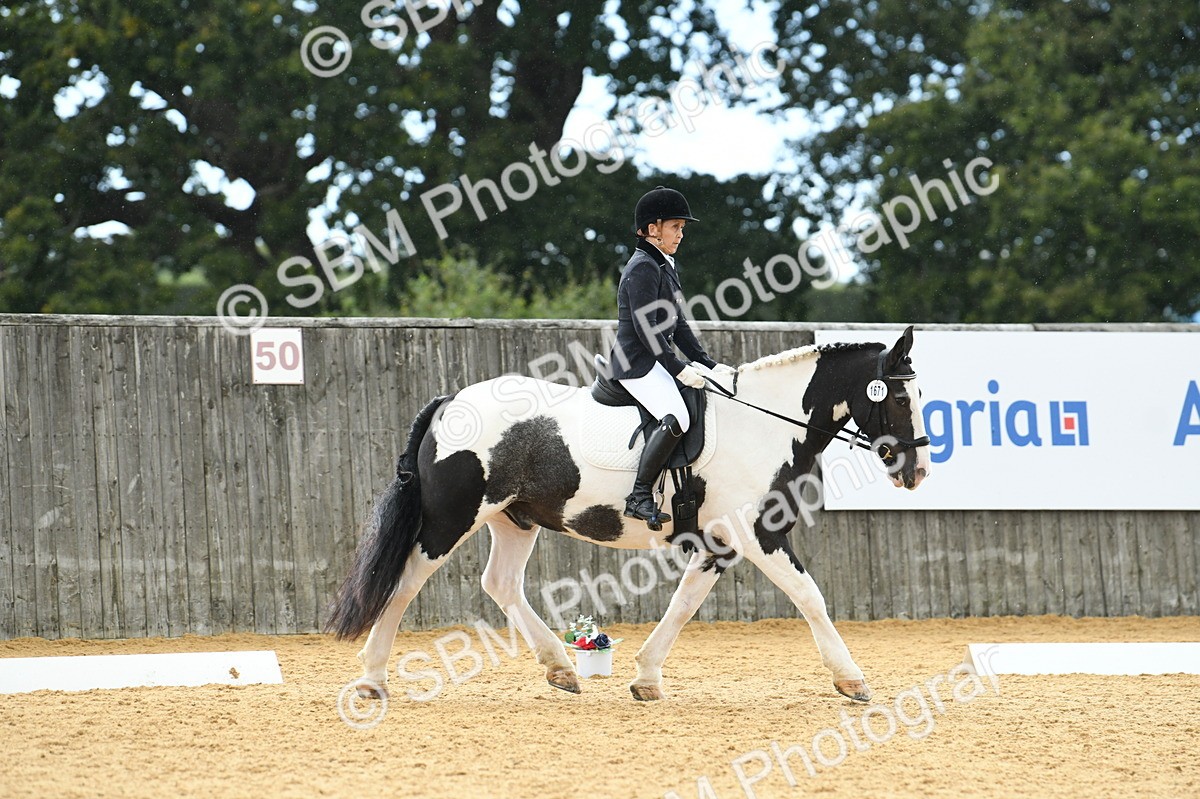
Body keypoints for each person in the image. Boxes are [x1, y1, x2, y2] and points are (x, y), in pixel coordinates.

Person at [608, 186, 736, 526]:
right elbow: (647, 329)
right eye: (675, 227)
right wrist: (678, 369)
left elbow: (677, 326)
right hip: (635, 363)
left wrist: (708, 364)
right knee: (677, 414)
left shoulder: (664, 266)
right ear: (653, 229)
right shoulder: (643, 268)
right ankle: (638, 496)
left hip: (652, 360)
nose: (681, 234)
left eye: (682, 228)